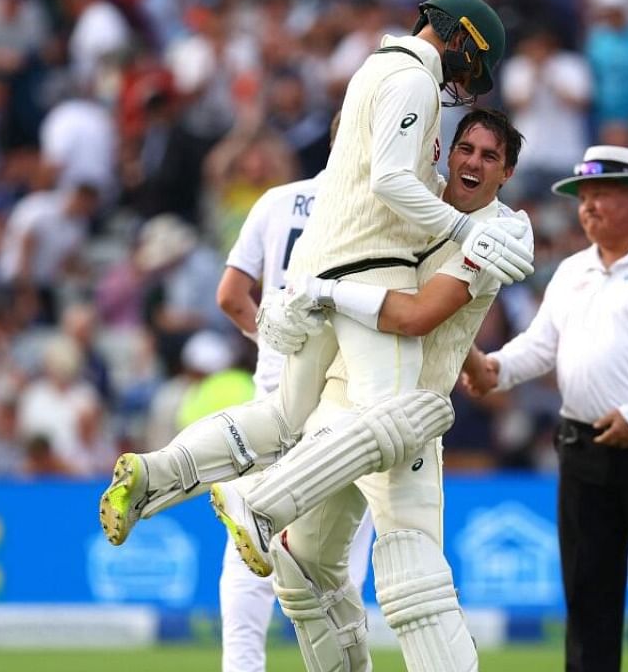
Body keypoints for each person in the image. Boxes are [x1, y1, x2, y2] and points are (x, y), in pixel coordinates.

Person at [97, 0, 529, 546]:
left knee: (282, 418)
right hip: (367, 268)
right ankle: (257, 502)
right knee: (391, 419)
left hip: (320, 268)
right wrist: (468, 230)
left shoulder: (373, 69)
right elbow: (391, 183)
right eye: (472, 64)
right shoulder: (415, 79)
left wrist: (467, 349)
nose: (464, 80)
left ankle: (157, 470)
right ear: (463, 38)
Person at [210, 108, 526, 672]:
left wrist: (323, 296)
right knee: (302, 572)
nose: (473, 162)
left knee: (414, 589)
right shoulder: (401, 201)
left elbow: (418, 315)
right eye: (466, 150)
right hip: (335, 399)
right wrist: (296, 320)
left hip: (404, 419)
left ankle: (258, 502)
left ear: (506, 172)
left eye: (489, 156)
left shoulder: (494, 227)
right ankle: (254, 507)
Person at [460, 145, 628, 672]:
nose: (588, 207)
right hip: (583, 448)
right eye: (584, 197)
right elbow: (541, 345)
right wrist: (494, 369)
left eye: (601, 195)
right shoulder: (574, 270)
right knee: (587, 603)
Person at [210, 113, 374, 672]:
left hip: (276, 398)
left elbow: (232, 295)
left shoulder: (278, 202)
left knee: (248, 541)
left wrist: (276, 340)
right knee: (340, 556)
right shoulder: (388, 209)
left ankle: (242, 666)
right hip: (349, 400)